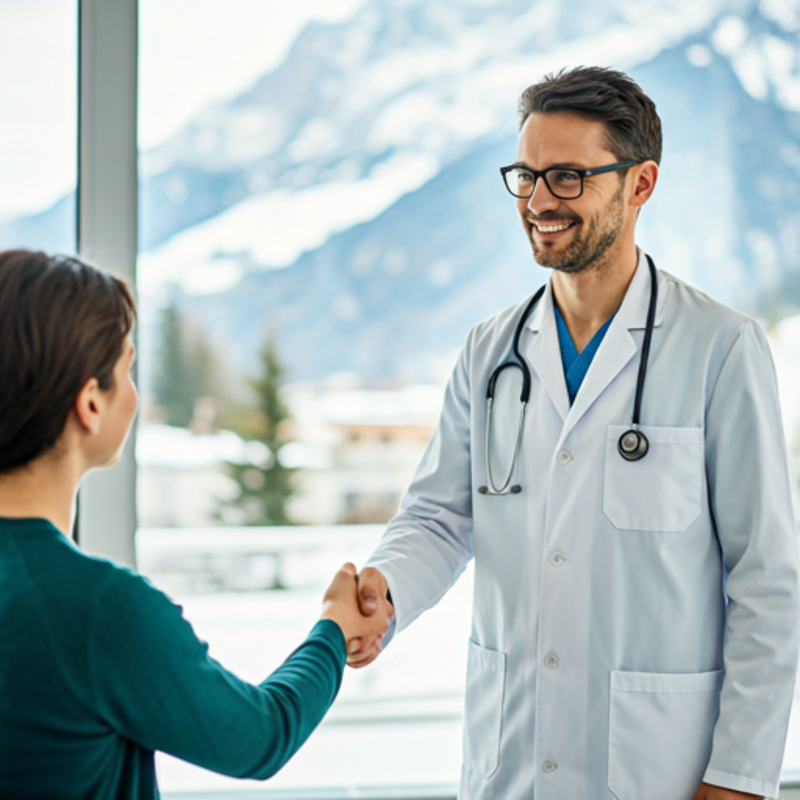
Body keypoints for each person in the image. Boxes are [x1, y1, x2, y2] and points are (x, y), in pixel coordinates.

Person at [348, 67, 800, 800]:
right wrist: (386, 591)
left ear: (640, 184)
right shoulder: (489, 352)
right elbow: (439, 517)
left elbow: (767, 581)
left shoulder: (721, 348)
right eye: (525, 176)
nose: (537, 201)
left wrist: (740, 777)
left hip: (661, 770)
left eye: (565, 177)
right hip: (511, 763)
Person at [0, 249, 393, 799]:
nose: (134, 393)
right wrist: (332, 628)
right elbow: (259, 736)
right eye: (126, 368)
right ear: (90, 402)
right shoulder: (99, 610)